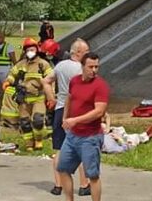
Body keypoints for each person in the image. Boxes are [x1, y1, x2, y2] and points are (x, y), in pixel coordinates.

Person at [57, 53, 110, 201]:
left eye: (96, 67)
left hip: (90, 137)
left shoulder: (100, 86)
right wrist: (65, 117)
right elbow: (69, 98)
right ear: (82, 66)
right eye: (90, 67)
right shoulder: (74, 81)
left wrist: (76, 120)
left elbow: (99, 111)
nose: (94, 70)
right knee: (62, 169)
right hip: (73, 135)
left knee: (92, 175)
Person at [43, 38, 90, 196]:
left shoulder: (60, 66)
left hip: (59, 110)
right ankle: (84, 185)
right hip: (76, 112)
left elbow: (46, 81)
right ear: (78, 52)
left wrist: (52, 98)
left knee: (59, 149)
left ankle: (58, 186)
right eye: (86, 52)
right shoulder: (81, 69)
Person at [3, 37, 55, 151]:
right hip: (23, 99)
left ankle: (38, 140)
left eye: (32, 49)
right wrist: (8, 81)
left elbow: (51, 80)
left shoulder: (43, 64)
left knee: (38, 120)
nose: (30, 52)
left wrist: (51, 97)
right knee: (25, 123)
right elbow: (12, 74)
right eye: (27, 50)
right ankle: (29, 144)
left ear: (37, 50)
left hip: (38, 98)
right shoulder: (21, 64)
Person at [0, 32, 16, 111]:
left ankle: (7, 105)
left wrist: (16, 70)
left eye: (0, 37)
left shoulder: (8, 46)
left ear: (4, 38)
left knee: (6, 88)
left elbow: (13, 59)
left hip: (5, 70)